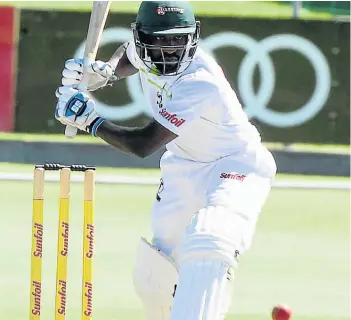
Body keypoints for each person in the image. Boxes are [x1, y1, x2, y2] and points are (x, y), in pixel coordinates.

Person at [55, 1, 277, 319]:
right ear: (143, 37)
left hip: (234, 164)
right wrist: (104, 72)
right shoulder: (143, 49)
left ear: (192, 37)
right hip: (183, 165)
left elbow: (144, 144)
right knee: (156, 271)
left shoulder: (199, 82)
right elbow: (129, 54)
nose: (170, 51)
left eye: (178, 40)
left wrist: (92, 122)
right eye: (160, 41)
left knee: (210, 237)